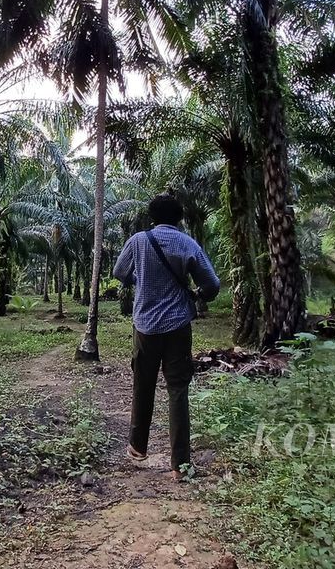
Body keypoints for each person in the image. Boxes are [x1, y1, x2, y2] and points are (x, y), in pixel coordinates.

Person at [112, 192, 221, 481]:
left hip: (145, 324)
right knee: (178, 390)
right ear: (179, 218)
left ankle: (137, 447)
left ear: (152, 217)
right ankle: (180, 466)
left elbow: (119, 271)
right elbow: (212, 284)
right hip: (177, 325)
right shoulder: (188, 243)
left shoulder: (138, 241)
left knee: (143, 384)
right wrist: (197, 294)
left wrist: (141, 281)